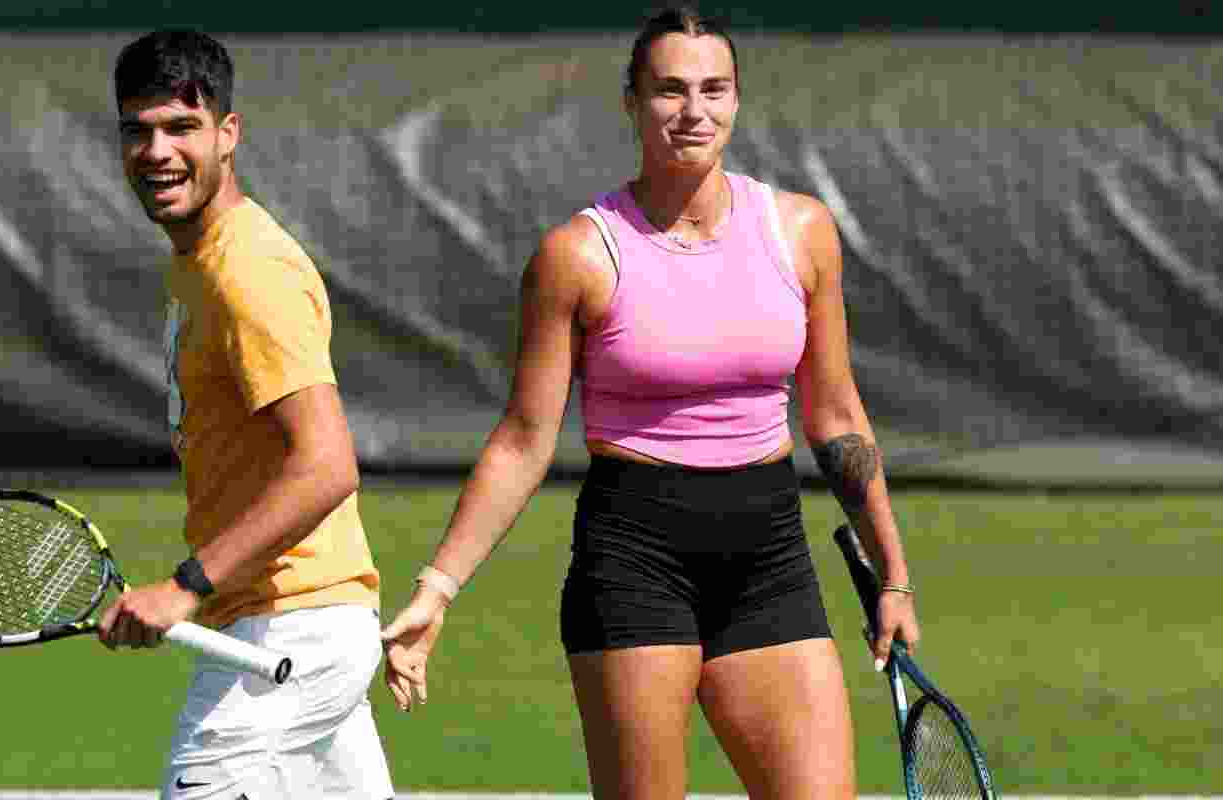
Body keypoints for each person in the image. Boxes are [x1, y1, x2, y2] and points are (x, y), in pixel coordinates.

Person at [379, 6, 921, 800]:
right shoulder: (576, 256)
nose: (693, 110)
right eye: (668, 90)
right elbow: (524, 441)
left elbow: (836, 418)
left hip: (769, 558)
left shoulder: (803, 232)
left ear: (736, 100)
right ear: (631, 101)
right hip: (633, 562)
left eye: (714, 89)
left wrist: (895, 575)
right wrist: (436, 589)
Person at [97, 29, 393, 800]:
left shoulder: (245, 270)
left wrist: (186, 586)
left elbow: (326, 465)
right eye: (138, 129)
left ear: (228, 134)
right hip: (297, 623)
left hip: (286, 631)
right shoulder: (199, 261)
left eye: (182, 127)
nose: (157, 150)